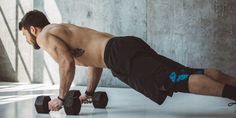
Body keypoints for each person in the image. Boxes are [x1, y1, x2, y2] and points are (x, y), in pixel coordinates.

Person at [19, 10, 236, 111]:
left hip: (117, 54)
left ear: (32, 28)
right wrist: (89, 94)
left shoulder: (44, 35)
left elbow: (67, 63)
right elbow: (95, 61)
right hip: (122, 45)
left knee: (175, 80)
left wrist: (60, 97)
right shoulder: (65, 30)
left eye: (25, 36)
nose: (28, 41)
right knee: (187, 72)